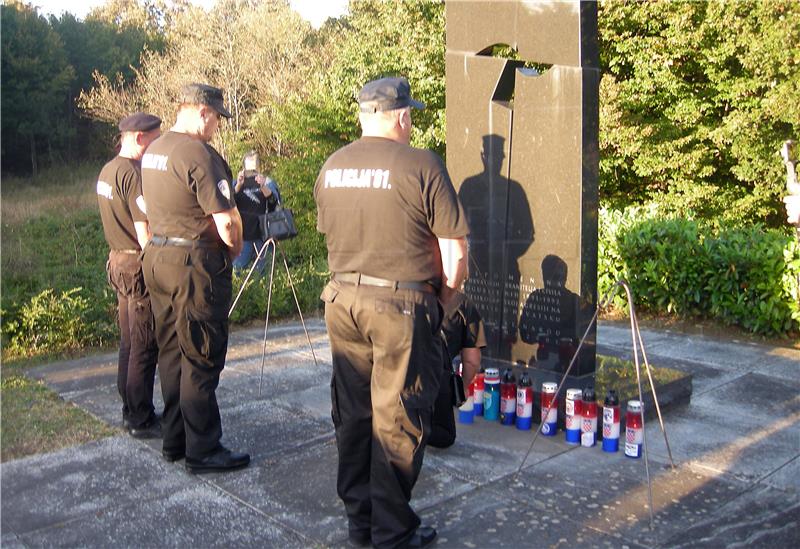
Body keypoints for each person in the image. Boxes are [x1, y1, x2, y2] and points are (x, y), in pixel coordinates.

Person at [315, 76, 469, 549]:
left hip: (343, 302)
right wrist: (446, 302)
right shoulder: (422, 164)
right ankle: (392, 531)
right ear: (402, 117)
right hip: (401, 305)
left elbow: (331, 232)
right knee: (398, 417)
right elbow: (455, 254)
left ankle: (361, 523)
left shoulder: (332, 165)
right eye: (411, 116)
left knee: (355, 414)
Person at [140, 83, 250, 474]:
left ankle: (175, 440)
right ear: (202, 112)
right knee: (201, 354)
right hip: (193, 263)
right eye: (217, 117)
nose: (218, 125)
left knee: (171, 351)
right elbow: (226, 220)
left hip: (157, 256)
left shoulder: (154, 151)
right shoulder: (200, 154)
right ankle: (203, 448)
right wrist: (234, 250)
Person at [96, 112, 162, 439]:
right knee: (145, 343)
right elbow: (145, 231)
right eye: (154, 139)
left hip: (116, 261)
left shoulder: (107, 171)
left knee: (128, 341)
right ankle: (140, 416)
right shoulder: (132, 175)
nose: (157, 146)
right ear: (139, 138)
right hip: (136, 265)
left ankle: (128, 406)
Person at [428, 291, 486, 449]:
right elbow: (472, 360)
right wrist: (464, 386)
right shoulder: (463, 303)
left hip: (398, 374)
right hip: (438, 377)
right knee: (444, 435)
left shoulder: (408, 290)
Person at [232, 150, 281, 273]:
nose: (251, 172)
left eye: (254, 168)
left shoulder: (268, 182)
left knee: (263, 273)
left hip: (263, 235)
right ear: (243, 167)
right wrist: (238, 185)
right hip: (242, 235)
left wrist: (262, 186)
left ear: (259, 166)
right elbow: (227, 203)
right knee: (237, 270)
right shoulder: (236, 183)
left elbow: (274, 203)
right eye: (249, 168)